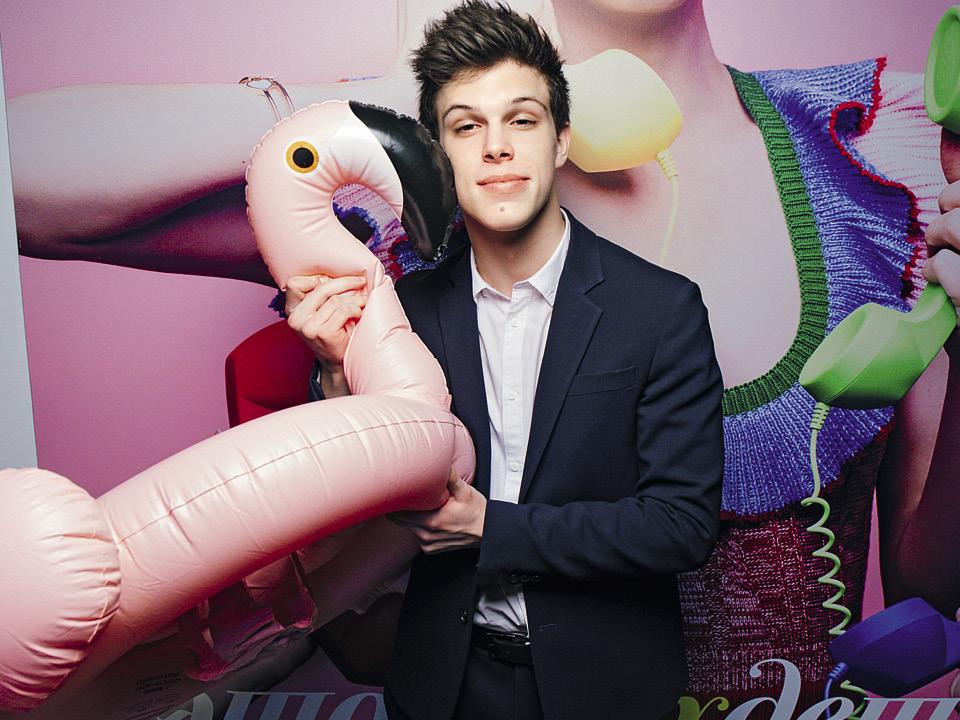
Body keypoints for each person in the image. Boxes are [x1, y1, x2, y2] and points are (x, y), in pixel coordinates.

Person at [285, 3, 724, 718]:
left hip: (605, 694)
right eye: (466, 126)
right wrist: (336, 374)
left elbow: (681, 525)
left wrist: (493, 528)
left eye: (521, 120)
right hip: (444, 689)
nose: (496, 148)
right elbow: (343, 509)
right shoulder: (400, 316)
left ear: (561, 141)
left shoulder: (661, 310)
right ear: (435, 157)